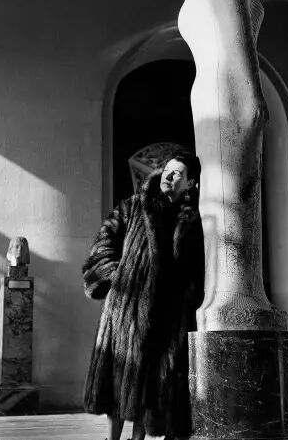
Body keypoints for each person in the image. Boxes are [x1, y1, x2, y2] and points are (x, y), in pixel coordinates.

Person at [82, 151, 205, 440]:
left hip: (166, 312)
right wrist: (117, 276)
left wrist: (187, 298)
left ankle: (137, 439)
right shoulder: (133, 206)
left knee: (152, 385)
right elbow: (103, 243)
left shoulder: (190, 220)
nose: (168, 175)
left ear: (190, 183)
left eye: (177, 173)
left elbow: (196, 268)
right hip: (126, 310)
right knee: (118, 378)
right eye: (167, 169)